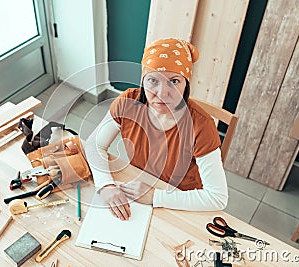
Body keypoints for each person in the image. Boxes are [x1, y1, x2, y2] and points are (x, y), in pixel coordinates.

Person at [85, 38, 228, 220]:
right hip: (139, 185)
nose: (162, 94)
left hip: (180, 200)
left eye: (174, 81)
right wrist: (105, 185)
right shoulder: (128, 102)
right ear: (143, 81)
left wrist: (156, 197)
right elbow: (94, 144)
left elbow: (217, 198)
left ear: (186, 85)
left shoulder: (201, 126)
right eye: (153, 80)